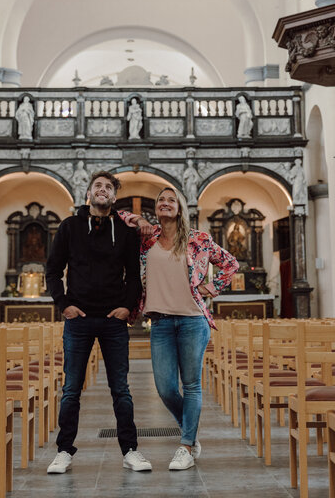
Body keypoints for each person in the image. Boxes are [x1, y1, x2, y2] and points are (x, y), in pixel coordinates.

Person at [123, 187, 238, 471]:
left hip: (192, 320)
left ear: (180, 208)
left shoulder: (199, 239)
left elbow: (230, 264)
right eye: (161, 200)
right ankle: (190, 429)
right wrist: (138, 220)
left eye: (170, 200)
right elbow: (118, 215)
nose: (165, 203)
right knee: (165, 388)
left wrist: (211, 287)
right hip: (160, 322)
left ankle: (186, 446)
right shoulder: (145, 241)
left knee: (191, 385)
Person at [45, 171, 151, 474]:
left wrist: (126, 307)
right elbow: (53, 270)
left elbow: (134, 275)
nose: (102, 190)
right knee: (71, 389)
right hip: (78, 319)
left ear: (115, 197)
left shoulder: (125, 231)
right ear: (89, 194)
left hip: (112, 320)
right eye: (98, 186)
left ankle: (130, 450)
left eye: (108, 187)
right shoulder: (70, 227)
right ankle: (64, 450)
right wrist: (64, 304)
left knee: (121, 389)